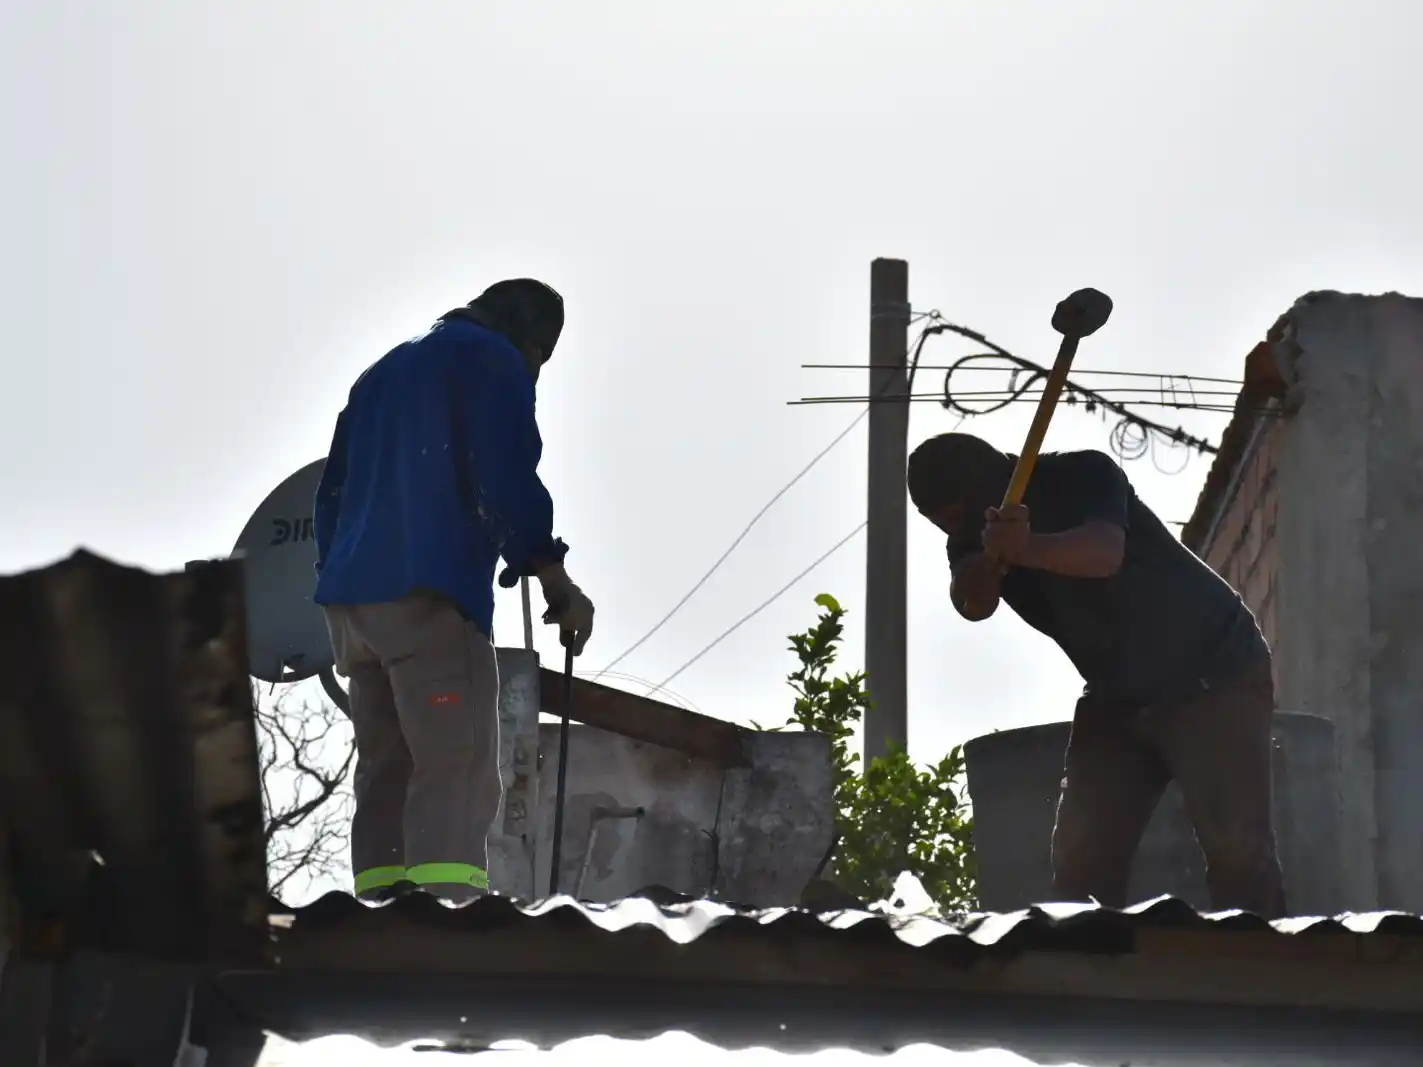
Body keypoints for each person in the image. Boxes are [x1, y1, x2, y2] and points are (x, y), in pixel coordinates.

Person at [906, 432, 1285, 918]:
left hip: (1213, 673)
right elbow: (972, 603)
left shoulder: (1082, 473)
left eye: (957, 516)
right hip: (1117, 698)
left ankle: (1264, 975)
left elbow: (1103, 554)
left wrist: (1025, 548)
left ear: (987, 486)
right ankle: (1087, 979)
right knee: (1081, 863)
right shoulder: (969, 539)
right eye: (941, 524)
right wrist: (983, 568)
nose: (952, 531)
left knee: (1238, 851)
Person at [312, 278, 595, 904]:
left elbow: (329, 495)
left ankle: (377, 917)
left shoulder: (381, 374)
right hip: (429, 599)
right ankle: (446, 921)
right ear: (531, 339)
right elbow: (506, 473)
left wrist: (343, 582)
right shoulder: (489, 360)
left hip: (354, 608)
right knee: (456, 769)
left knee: (386, 773)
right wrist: (554, 578)